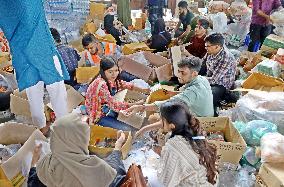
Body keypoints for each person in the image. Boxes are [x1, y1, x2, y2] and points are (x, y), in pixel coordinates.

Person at [0, 0, 69, 135]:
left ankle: (42, 130)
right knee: (58, 93)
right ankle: (64, 132)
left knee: (34, 97)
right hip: (42, 49)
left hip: (22, 55)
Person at [27, 113, 128, 187]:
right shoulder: (96, 168)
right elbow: (118, 176)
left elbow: (32, 182)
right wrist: (118, 147)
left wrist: (34, 162)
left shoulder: (44, 166)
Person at [125, 56, 214, 120]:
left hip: (200, 120)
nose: (179, 76)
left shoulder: (193, 91)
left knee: (157, 117)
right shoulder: (201, 78)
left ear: (194, 73)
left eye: (183, 73)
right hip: (205, 113)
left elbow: (170, 103)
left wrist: (142, 107)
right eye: (179, 72)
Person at [155, 101, 218, 187]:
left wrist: (163, 156)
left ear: (172, 125)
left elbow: (166, 181)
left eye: (162, 119)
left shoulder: (173, 145)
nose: (159, 121)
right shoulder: (194, 132)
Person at [85, 57, 150, 131]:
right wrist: (134, 104)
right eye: (110, 72)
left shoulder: (110, 79)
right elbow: (114, 105)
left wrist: (143, 90)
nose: (114, 74)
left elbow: (123, 84)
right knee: (127, 129)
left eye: (116, 70)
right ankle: (100, 124)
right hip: (99, 115)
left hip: (107, 107)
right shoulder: (101, 84)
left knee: (131, 122)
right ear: (103, 71)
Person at [202, 33, 237, 116]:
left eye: (208, 46)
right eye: (206, 46)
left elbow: (215, 80)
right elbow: (202, 63)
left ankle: (213, 116)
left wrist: (199, 79)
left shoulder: (226, 57)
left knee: (209, 97)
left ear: (217, 46)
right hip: (211, 77)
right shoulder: (211, 51)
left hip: (222, 84)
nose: (206, 48)